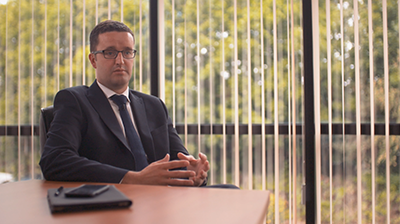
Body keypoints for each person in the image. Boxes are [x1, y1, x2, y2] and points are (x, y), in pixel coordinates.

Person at [40, 20, 212, 187]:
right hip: (113, 206)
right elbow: (55, 159)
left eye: (127, 52)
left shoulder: (154, 106)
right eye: (110, 52)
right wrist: (132, 179)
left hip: (160, 204)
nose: (120, 61)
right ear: (93, 60)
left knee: (230, 190)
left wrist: (193, 174)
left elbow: (178, 161)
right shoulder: (75, 100)